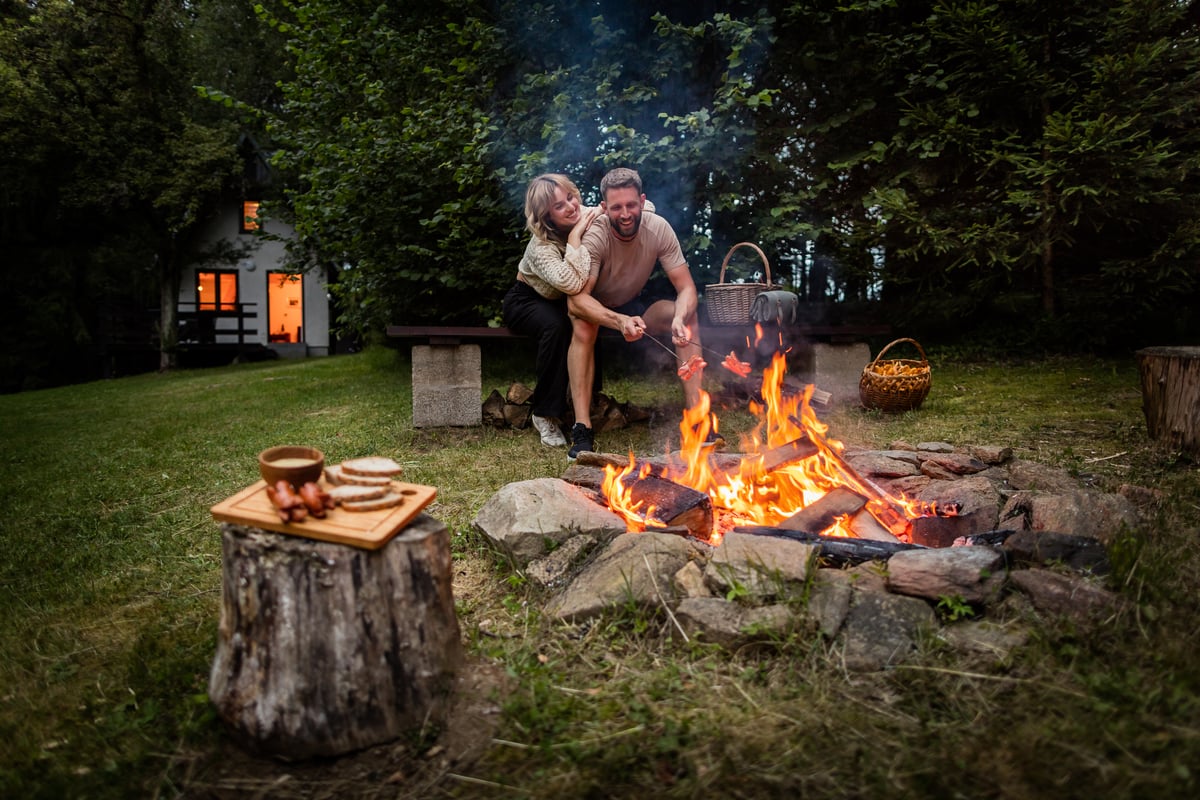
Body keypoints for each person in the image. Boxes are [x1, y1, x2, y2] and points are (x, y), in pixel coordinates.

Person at [565, 167, 717, 459]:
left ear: (642, 201)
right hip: (596, 306)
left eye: (631, 205)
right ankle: (582, 428)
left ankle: (697, 419)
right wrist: (618, 320)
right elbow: (577, 300)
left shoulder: (658, 227)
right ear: (605, 207)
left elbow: (687, 289)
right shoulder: (596, 235)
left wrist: (677, 318)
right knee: (584, 325)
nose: (625, 214)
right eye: (617, 207)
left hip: (632, 303)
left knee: (686, 315)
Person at [501, 174, 601, 446]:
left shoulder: (585, 212)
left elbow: (643, 207)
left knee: (586, 320)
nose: (570, 206)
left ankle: (585, 402)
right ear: (546, 216)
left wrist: (610, 208)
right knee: (555, 326)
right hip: (526, 300)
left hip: (558, 299)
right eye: (559, 206)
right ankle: (543, 413)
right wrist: (577, 234)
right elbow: (572, 282)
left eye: (570, 197)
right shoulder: (540, 245)